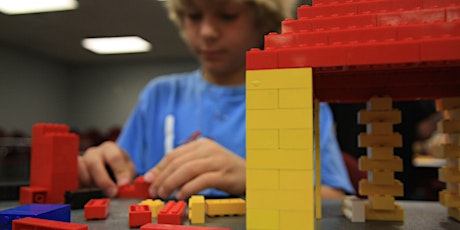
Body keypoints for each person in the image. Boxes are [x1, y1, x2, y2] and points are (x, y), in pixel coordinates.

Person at [78, 0, 354, 200]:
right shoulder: (159, 95)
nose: (207, 32)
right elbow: (123, 181)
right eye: (194, 15)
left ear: (263, 17)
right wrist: (101, 169)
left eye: (227, 14)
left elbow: (334, 198)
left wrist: (256, 179)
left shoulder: (298, 101)